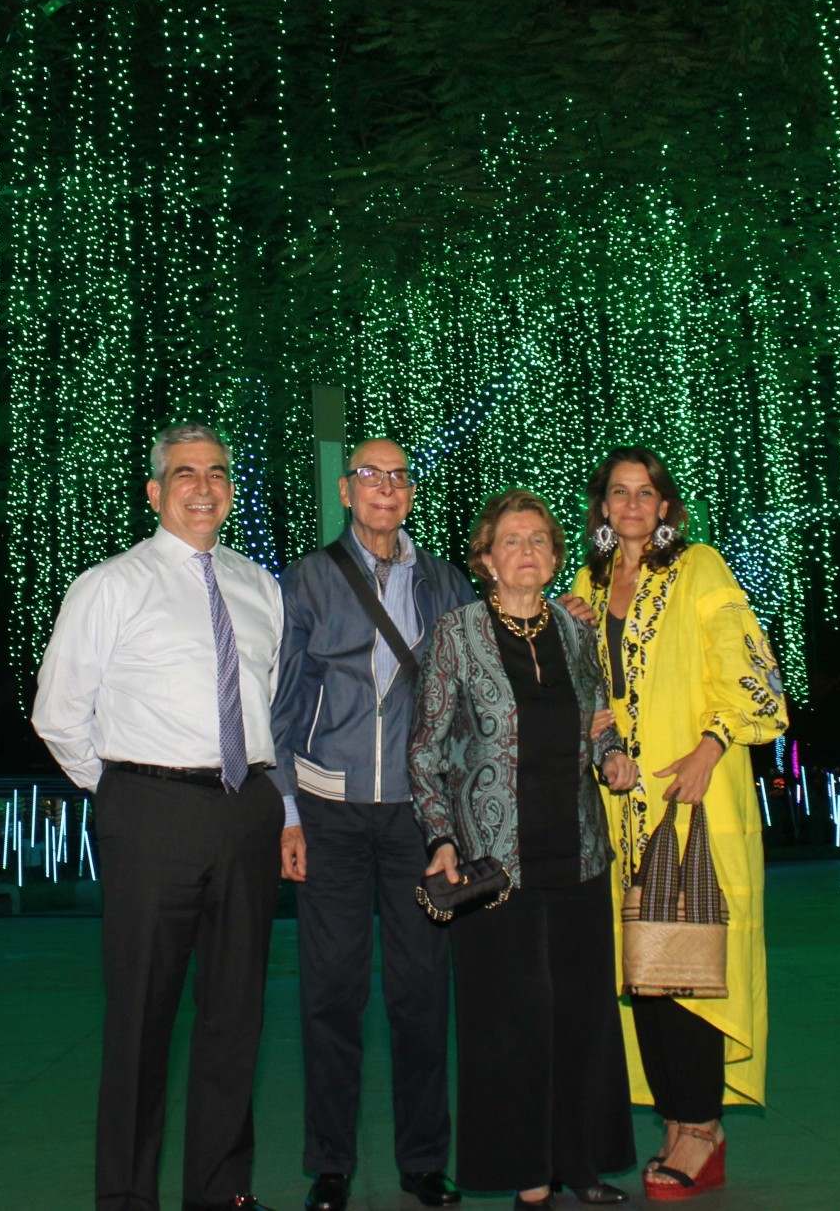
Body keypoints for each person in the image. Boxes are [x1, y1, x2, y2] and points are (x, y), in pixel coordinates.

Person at [32, 423, 294, 1211]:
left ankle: (219, 1192)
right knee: (142, 1021)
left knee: (235, 1015)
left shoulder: (259, 587)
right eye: (185, 472)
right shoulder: (109, 584)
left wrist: (274, 810)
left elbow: (267, 708)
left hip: (245, 810)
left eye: (217, 471)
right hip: (149, 811)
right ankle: (127, 1197)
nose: (203, 485)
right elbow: (58, 714)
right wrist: (123, 789)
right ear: (154, 491)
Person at [563, 448, 791, 1202]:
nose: (631, 504)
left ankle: (702, 1130)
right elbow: (568, 685)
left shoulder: (699, 569)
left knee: (687, 964)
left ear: (665, 506)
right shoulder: (589, 585)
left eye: (646, 492)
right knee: (645, 973)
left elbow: (752, 670)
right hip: (618, 810)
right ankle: (677, 1120)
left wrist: (713, 742)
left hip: (692, 799)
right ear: (602, 507)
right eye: (618, 493)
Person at [408, 489, 640, 1210]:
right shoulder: (456, 634)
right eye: (511, 540)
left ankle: (583, 1162)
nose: (527, 551)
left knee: (582, 1014)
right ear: (484, 557)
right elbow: (427, 750)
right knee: (509, 1025)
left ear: (554, 554)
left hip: (577, 853)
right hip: (493, 861)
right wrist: (442, 836)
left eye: (539, 538)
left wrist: (611, 754)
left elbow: (598, 715)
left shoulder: (576, 632)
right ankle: (528, 1169)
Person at [270, 439, 476, 1211]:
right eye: (369, 477)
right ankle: (329, 1165)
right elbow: (284, 704)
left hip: (420, 818)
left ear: (409, 494)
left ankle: (424, 1160)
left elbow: (472, 692)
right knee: (331, 991)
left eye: (397, 478)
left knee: (421, 993)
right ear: (345, 491)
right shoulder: (311, 578)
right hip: (330, 809)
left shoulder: (446, 581)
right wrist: (287, 811)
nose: (385, 489)